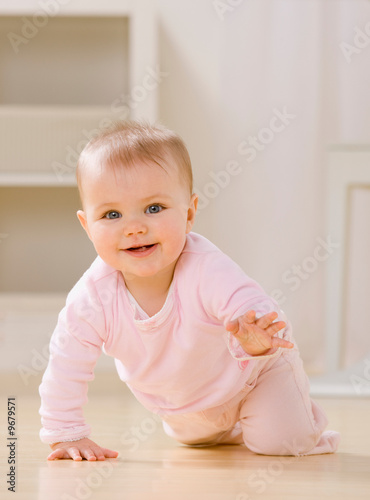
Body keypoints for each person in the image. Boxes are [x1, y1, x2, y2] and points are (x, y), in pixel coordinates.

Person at [39, 121, 340, 461]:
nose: (135, 227)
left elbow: (245, 301)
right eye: (111, 214)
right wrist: (66, 434)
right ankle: (234, 426)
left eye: (154, 208)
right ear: (87, 226)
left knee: (279, 443)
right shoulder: (92, 298)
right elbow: (66, 366)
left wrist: (255, 335)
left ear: (189, 213)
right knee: (198, 442)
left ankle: (302, 421)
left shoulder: (204, 267)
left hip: (256, 372)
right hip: (185, 406)